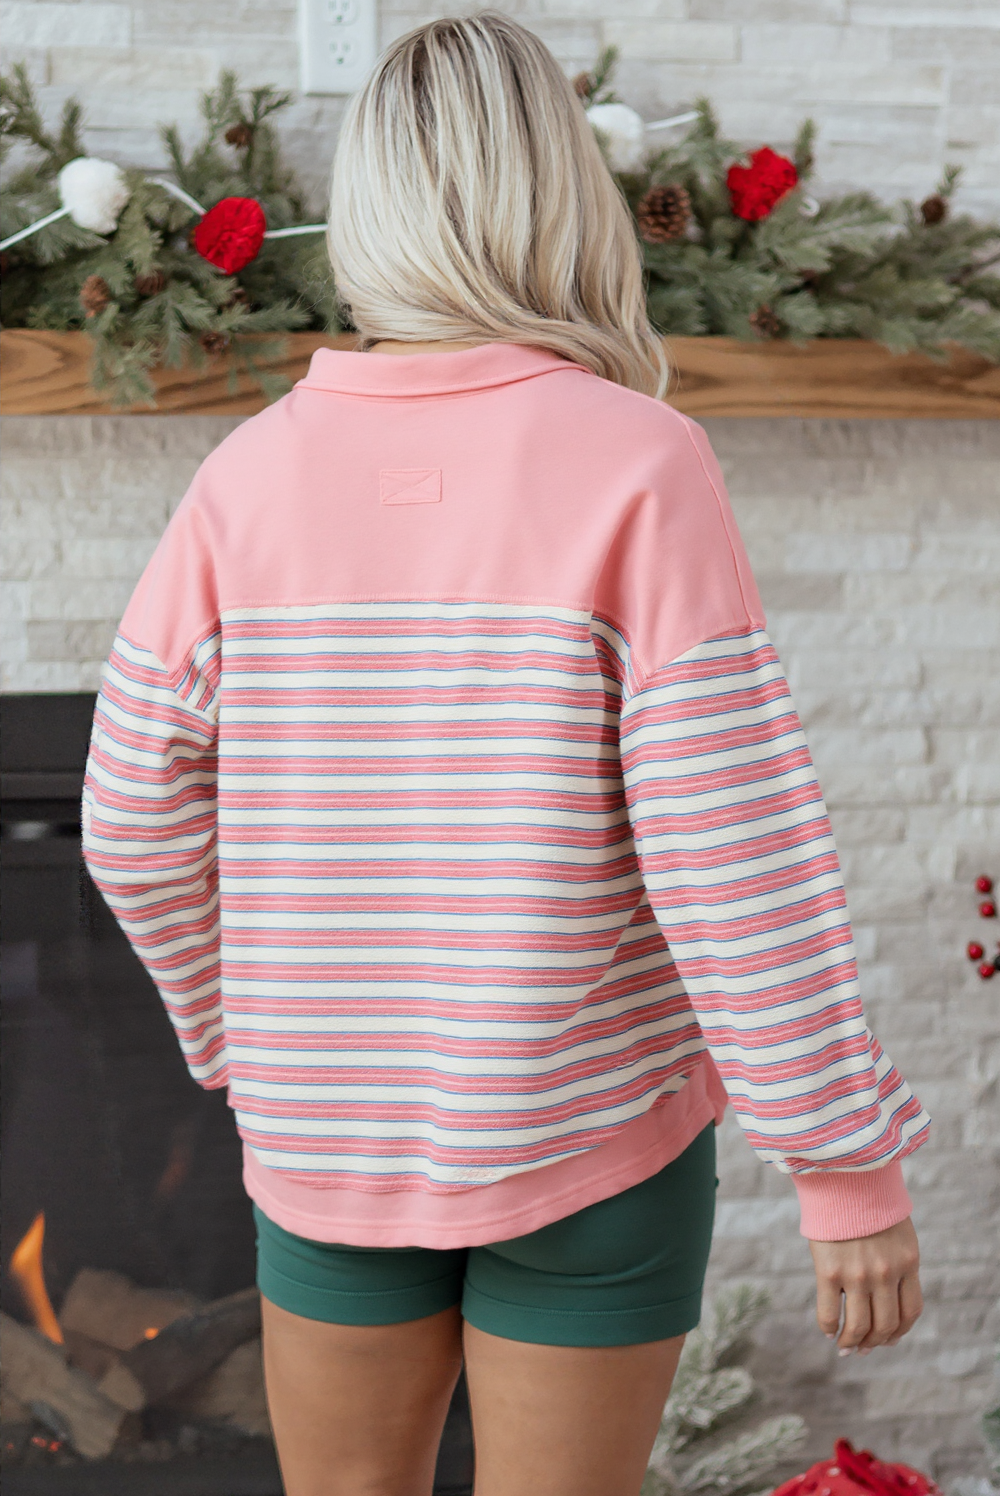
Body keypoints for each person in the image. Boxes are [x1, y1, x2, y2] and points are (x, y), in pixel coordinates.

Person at [81, 13, 930, 1496]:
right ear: (559, 194)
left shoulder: (245, 478)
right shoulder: (639, 460)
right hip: (593, 1132)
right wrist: (840, 1161)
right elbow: (732, 845)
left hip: (329, 1136)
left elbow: (130, 821)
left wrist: (241, 1040)